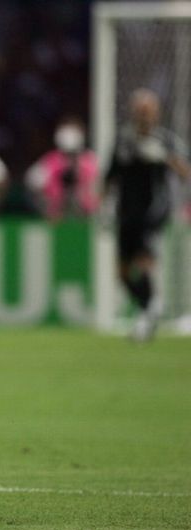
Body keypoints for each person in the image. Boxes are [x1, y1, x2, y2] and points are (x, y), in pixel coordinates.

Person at [104, 88, 191, 341]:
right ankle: (149, 307)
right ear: (133, 113)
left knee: (143, 263)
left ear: (156, 113)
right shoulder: (123, 141)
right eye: (140, 111)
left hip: (153, 211)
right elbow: (110, 176)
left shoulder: (165, 140)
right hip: (125, 213)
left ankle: (149, 312)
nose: (143, 116)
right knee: (122, 273)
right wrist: (102, 206)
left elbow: (185, 172)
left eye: (148, 111)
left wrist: (165, 158)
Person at [25, 117, 99, 221]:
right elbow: (32, 185)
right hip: (56, 217)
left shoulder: (89, 160)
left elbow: (98, 189)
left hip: (85, 217)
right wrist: (47, 206)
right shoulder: (50, 161)